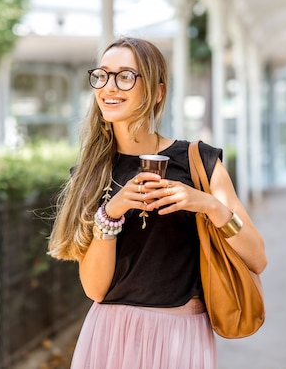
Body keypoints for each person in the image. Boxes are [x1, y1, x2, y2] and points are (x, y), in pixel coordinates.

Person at [48, 37, 267, 369]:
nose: (109, 87)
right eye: (102, 75)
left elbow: (258, 257)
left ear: (157, 91)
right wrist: (111, 213)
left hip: (182, 336)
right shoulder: (91, 174)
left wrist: (208, 205)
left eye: (125, 76)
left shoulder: (199, 161)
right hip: (111, 336)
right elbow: (96, 289)